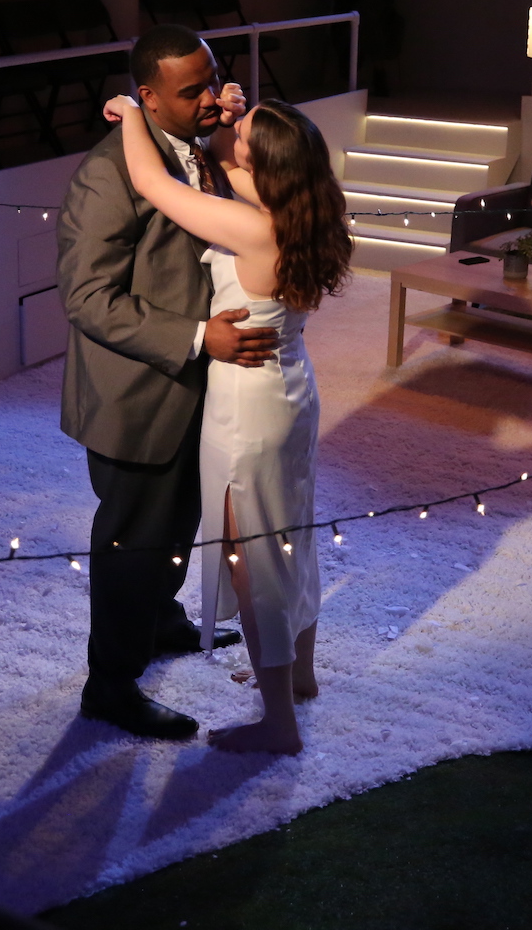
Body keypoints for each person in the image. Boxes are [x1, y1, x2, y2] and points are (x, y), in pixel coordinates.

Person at [100, 86, 351, 755]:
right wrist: (231, 112)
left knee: (253, 558)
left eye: (244, 131)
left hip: (249, 408)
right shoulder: (297, 209)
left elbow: (152, 180)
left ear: (262, 170)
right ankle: (298, 678)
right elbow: (222, 156)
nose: (231, 127)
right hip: (292, 393)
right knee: (292, 538)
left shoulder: (250, 225)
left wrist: (132, 112)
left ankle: (279, 726)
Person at [57, 25, 268, 741]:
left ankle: (163, 621)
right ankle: (109, 687)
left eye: (215, 78)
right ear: (146, 98)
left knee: (177, 523)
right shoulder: (107, 173)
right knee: (131, 543)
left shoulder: (199, 146)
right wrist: (194, 337)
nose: (212, 96)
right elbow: (86, 298)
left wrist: (225, 117)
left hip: (196, 387)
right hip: (136, 395)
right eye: (194, 90)